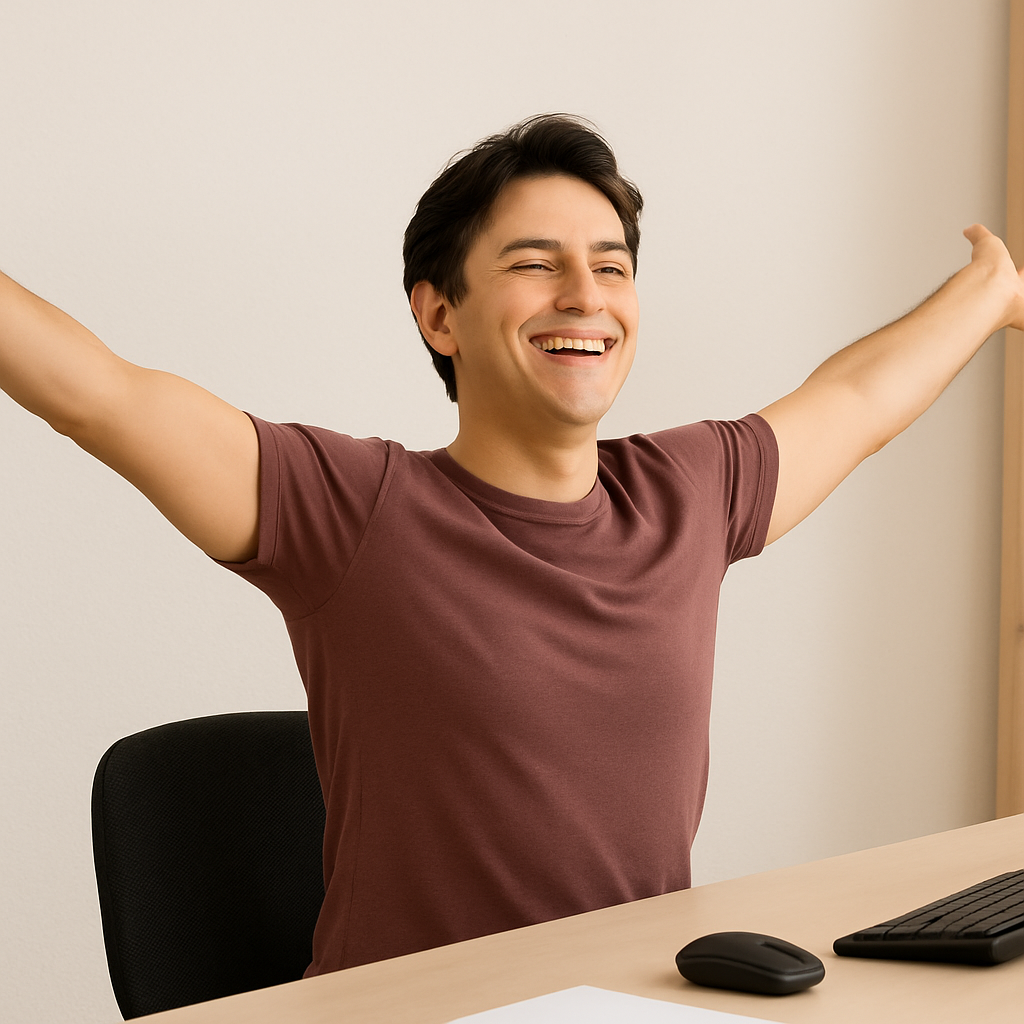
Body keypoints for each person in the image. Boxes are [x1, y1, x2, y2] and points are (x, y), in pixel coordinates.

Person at [1, 114, 1021, 977]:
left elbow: (856, 398)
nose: (584, 295)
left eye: (609, 266)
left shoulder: (689, 492)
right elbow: (97, 395)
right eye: (535, 264)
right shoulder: (345, 508)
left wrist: (988, 289)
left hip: (631, 1002)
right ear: (439, 314)